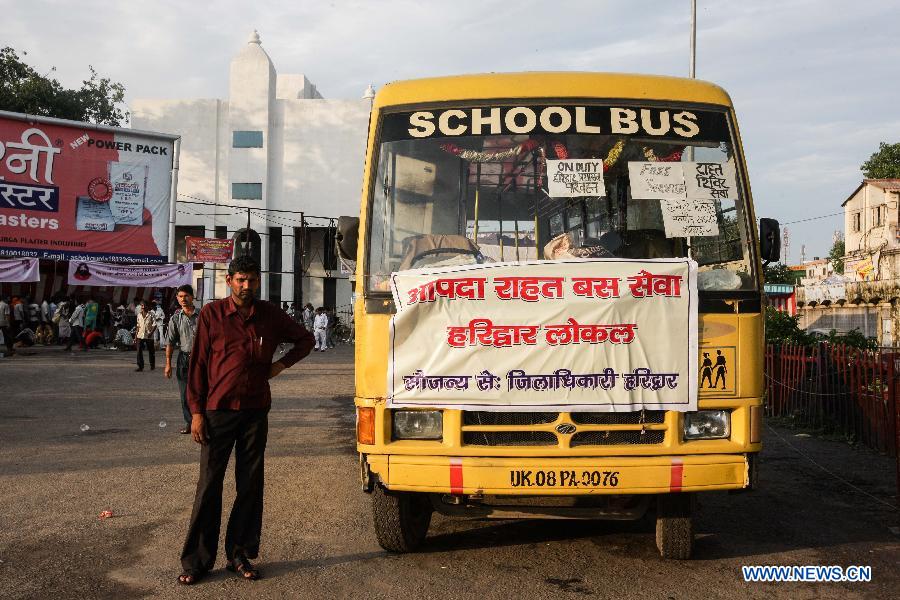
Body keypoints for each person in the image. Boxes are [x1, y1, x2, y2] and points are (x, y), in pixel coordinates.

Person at [178, 256, 314, 586]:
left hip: (255, 411)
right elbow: (197, 366)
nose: (246, 286)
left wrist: (280, 366)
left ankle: (239, 553)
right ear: (229, 280)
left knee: (250, 483)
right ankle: (198, 560)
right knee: (209, 484)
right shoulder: (212, 314)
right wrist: (196, 412)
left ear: (258, 281)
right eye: (240, 279)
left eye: (252, 280)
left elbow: (305, 340)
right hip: (218, 411)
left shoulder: (269, 315)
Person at [165, 285, 199, 435]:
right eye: (180, 296)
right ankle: (189, 423)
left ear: (192, 297)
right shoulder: (175, 318)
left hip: (201, 358)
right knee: (184, 393)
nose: (183, 299)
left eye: (186, 296)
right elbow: (170, 342)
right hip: (184, 358)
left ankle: (203, 421)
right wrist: (168, 364)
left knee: (202, 391)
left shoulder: (203, 315)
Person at [135, 300, 156, 371]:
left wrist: (151, 333)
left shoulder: (152, 314)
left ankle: (152, 365)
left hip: (149, 336)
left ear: (147, 306)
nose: (143, 307)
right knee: (139, 351)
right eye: (142, 306)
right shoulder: (139, 315)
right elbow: (138, 326)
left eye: (144, 305)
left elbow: (154, 325)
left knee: (151, 351)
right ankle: (140, 366)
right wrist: (135, 336)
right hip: (140, 335)